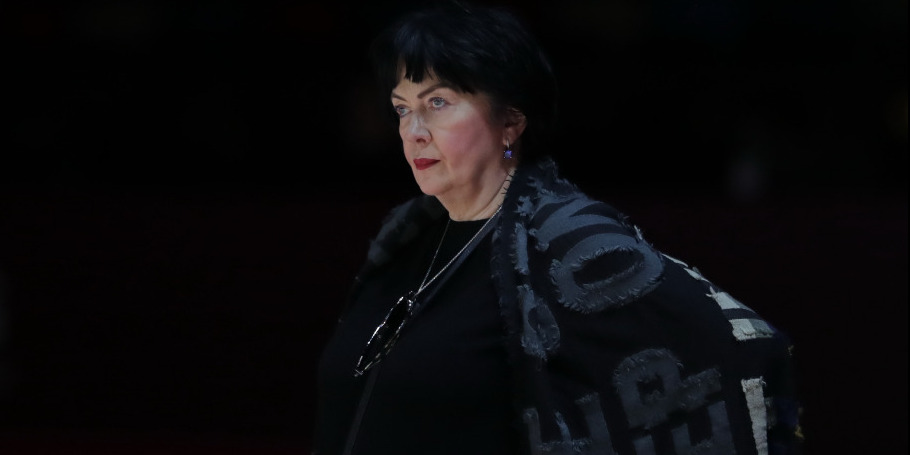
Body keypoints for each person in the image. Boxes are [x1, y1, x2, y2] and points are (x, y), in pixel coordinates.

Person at [313, 2, 803, 454]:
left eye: (437, 102)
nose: (413, 130)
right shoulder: (405, 239)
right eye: (403, 107)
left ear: (510, 121)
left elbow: (746, 349)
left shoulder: (569, 244)